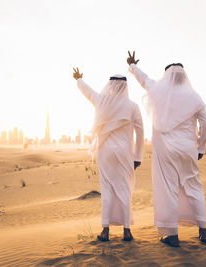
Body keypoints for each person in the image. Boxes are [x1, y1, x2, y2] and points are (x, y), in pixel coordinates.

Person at [126, 51, 206, 247]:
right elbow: (205, 123)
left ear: (166, 77)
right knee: (193, 185)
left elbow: (143, 79)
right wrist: (201, 147)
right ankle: (203, 231)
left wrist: (132, 65)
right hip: (188, 148)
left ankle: (171, 235)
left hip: (165, 150)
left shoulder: (158, 90)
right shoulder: (194, 95)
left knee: (168, 188)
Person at [72, 67, 144, 242]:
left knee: (107, 190)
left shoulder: (101, 100)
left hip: (105, 152)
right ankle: (127, 231)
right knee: (124, 190)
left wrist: (79, 79)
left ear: (110, 85)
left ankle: (105, 231)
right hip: (124, 153)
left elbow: (87, 92)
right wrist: (137, 157)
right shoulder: (132, 106)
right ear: (125, 87)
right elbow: (140, 132)